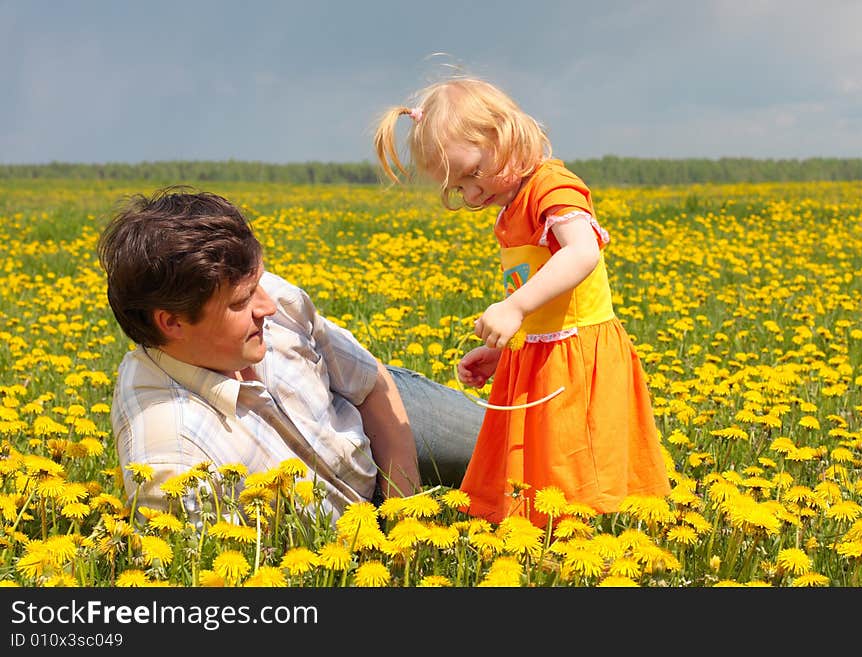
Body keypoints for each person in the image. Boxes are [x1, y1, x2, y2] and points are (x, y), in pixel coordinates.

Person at [374, 77, 671, 527]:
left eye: (473, 173)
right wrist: (506, 346)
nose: (472, 193)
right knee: (537, 476)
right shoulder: (511, 205)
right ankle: (540, 551)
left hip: (575, 355)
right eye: (458, 188)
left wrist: (512, 310)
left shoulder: (553, 187)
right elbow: (544, 293)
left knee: (568, 469)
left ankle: (578, 555)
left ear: (503, 133)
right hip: (542, 352)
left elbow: (582, 251)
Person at [97, 186, 483, 525]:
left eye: (258, 283)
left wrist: (401, 521)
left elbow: (373, 387)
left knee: (528, 449)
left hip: (370, 409)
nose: (268, 305)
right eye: (242, 301)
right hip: (338, 536)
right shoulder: (171, 451)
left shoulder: (260, 293)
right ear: (172, 322)